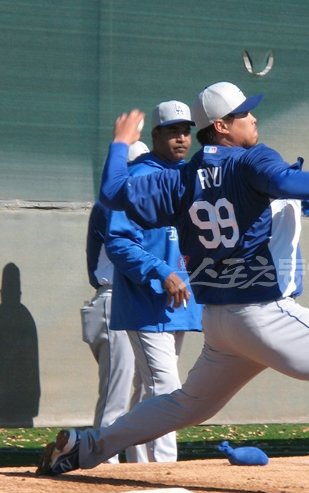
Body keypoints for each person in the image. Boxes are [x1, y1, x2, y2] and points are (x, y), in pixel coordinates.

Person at [37, 82, 309, 493]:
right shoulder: (253, 160)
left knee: (185, 403)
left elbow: (115, 193)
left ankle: (86, 446)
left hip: (220, 324)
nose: (254, 119)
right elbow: (283, 181)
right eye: (245, 114)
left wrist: (118, 144)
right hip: (264, 314)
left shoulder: (180, 179)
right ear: (222, 127)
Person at [105, 101, 203, 462]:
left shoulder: (188, 177)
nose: (181, 137)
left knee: (150, 389)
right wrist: (162, 272)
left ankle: (129, 460)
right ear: (156, 134)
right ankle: (164, 470)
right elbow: (117, 242)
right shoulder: (137, 176)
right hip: (146, 303)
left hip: (179, 303)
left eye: (186, 130)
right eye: (173, 130)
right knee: (166, 387)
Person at [79, 141, 148, 463]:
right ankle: (99, 465)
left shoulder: (133, 200)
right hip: (112, 299)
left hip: (130, 301)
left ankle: (141, 469)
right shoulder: (114, 202)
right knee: (116, 396)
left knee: (140, 396)